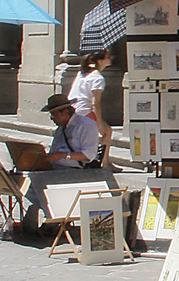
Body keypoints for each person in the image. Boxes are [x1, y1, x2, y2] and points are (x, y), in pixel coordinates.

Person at [21, 93, 104, 223]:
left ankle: (53, 216)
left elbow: (89, 155)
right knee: (25, 183)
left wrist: (64, 156)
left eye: (54, 115)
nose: (52, 119)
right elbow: (54, 151)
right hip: (57, 168)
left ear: (65, 112)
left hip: (77, 171)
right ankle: (50, 212)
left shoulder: (86, 125)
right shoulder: (60, 130)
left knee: (41, 185)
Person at [69, 49, 114, 166]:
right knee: (107, 131)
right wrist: (99, 121)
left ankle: (105, 161)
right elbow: (95, 103)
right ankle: (103, 162)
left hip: (73, 109)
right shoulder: (98, 78)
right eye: (108, 56)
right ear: (100, 60)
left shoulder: (82, 73)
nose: (111, 58)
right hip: (84, 110)